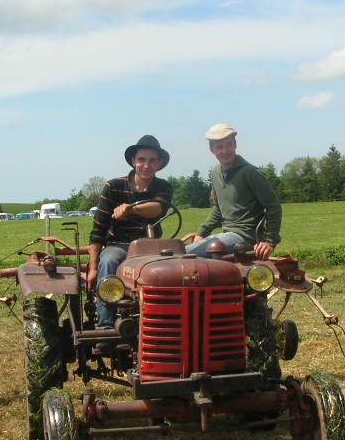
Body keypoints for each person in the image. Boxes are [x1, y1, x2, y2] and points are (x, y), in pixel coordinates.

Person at [87, 135, 173, 327]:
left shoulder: (163, 187)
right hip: (119, 245)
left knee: (172, 271)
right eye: (142, 159)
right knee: (108, 261)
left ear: (159, 164)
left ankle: (164, 321)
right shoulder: (113, 187)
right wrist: (93, 269)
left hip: (150, 247)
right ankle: (106, 324)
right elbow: (98, 230)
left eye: (152, 160)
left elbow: (158, 208)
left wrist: (130, 209)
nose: (146, 165)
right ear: (134, 160)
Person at [185, 123, 282, 259]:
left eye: (229, 144)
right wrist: (202, 233)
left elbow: (274, 206)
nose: (225, 150)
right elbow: (219, 209)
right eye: (220, 147)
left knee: (186, 255)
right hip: (227, 235)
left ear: (235, 145)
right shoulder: (215, 173)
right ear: (211, 149)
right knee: (178, 250)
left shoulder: (250, 173)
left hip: (246, 237)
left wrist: (269, 241)